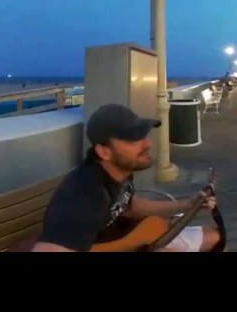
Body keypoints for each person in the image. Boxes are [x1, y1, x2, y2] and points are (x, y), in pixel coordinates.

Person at [31, 103, 222, 252]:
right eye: (132, 139)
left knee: (216, 237)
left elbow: (128, 206)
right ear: (104, 152)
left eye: (143, 135)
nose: (147, 144)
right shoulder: (84, 196)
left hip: (127, 235)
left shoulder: (118, 170)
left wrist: (185, 205)